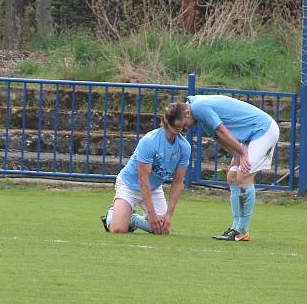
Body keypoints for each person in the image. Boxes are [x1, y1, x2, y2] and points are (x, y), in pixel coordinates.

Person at [175, 94, 279, 242]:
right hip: (252, 134)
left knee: (243, 176)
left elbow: (222, 130)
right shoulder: (197, 110)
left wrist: (242, 153)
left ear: (186, 112)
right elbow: (220, 138)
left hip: (264, 130)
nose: (186, 128)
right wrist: (236, 154)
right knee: (232, 175)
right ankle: (235, 228)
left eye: (184, 125)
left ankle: (242, 230)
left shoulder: (198, 107)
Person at [101, 103, 191, 235]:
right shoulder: (149, 141)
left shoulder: (184, 147)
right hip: (130, 185)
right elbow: (143, 180)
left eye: (180, 125)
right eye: (175, 125)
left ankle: (133, 220)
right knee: (118, 229)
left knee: (162, 230)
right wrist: (152, 215)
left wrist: (168, 216)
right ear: (165, 121)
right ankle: (113, 214)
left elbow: (177, 183)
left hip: (153, 188)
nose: (178, 128)